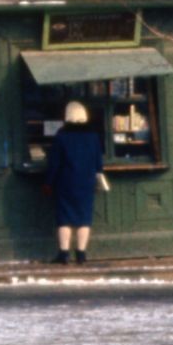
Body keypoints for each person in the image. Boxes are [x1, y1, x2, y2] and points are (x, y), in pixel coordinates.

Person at [45, 101, 104, 265]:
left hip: (65, 182)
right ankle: (81, 253)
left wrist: (48, 182)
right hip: (86, 181)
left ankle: (64, 253)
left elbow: (54, 163)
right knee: (84, 218)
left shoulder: (61, 136)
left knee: (64, 218)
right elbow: (99, 162)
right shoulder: (93, 136)